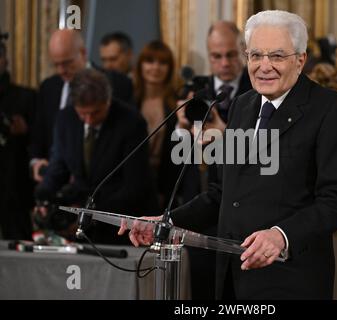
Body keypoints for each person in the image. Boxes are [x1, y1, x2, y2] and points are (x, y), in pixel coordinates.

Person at [119, 10, 337, 299]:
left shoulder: (330, 108)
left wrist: (282, 235)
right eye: (255, 55)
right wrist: (167, 221)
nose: (263, 66)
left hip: (291, 279)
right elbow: (222, 192)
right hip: (232, 276)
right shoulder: (242, 106)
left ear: (300, 60)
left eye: (277, 56)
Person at [175, 21, 253, 299]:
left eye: (231, 54)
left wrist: (226, 133)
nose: (224, 63)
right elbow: (177, 162)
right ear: (208, 56)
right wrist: (181, 130)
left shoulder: (258, 88)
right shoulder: (194, 93)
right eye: (216, 56)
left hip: (244, 214)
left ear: (243, 51)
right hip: (201, 208)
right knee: (203, 291)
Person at [35, 69, 158, 244]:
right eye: (83, 114)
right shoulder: (66, 119)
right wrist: (43, 197)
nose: (89, 120)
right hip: (83, 224)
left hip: (123, 226)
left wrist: (90, 215)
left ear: (108, 101)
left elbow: (134, 186)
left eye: (96, 112)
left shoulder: (132, 122)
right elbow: (58, 168)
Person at [30, 29, 133, 183]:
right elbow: (39, 134)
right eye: (56, 64)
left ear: (83, 53)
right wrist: (36, 162)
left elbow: (128, 137)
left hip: (103, 187)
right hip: (55, 184)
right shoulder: (49, 87)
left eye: (66, 63)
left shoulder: (117, 83)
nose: (61, 70)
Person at [134, 40, 180, 208]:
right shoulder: (131, 101)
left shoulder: (176, 104)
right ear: (140, 65)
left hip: (165, 187)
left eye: (162, 63)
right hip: (131, 185)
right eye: (150, 61)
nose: (155, 68)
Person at [0, 38, 36, 240]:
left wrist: (25, 131)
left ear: (5, 59)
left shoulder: (26, 97)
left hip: (15, 190)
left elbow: (42, 144)